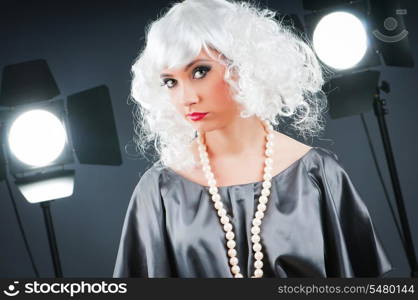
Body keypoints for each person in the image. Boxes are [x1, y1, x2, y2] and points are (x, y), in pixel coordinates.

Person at [113, 0, 392, 278]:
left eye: (200, 71)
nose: (187, 98)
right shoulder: (160, 189)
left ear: (244, 65)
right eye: (170, 82)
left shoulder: (317, 173)